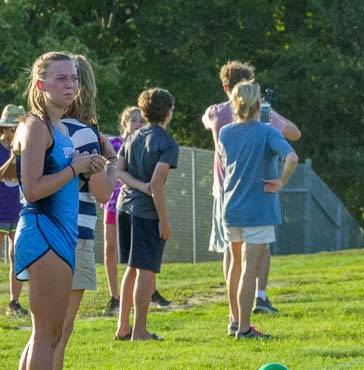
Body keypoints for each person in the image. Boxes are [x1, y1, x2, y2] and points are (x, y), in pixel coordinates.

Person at [6, 52, 104, 370]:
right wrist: (75, 169)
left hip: (59, 236)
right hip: (43, 232)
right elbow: (31, 190)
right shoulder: (35, 127)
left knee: (43, 334)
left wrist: (86, 166)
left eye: (74, 79)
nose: (71, 85)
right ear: (40, 85)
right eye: (61, 78)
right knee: (48, 334)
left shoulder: (59, 129)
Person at [202, 61, 300, 324]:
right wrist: (280, 182)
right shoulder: (267, 131)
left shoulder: (225, 133)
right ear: (258, 104)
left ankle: (233, 320)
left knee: (234, 266)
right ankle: (244, 326)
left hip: (230, 206)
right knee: (250, 269)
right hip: (258, 208)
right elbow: (292, 157)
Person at [55, 55, 120, 370]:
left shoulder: (50, 125)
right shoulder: (83, 131)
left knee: (43, 334)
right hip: (75, 235)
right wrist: (111, 163)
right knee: (59, 334)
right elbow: (101, 192)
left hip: (47, 232)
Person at [114, 88, 178, 341]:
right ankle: (139, 331)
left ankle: (122, 327)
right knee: (147, 270)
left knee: (131, 268)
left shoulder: (132, 137)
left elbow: (118, 171)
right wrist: (164, 219)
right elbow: (157, 183)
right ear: (168, 112)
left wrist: (139, 186)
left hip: (124, 208)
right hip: (146, 214)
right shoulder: (167, 143)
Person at [102, 106, 146, 314]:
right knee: (110, 248)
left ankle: (142, 293)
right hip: (112, 203)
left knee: (135, 251)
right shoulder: (114, 144)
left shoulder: (146, 146)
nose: (138, 124)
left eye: (142, 120)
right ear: (125, 123)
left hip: (135, 204)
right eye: (134, 120)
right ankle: (114, 296)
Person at [0, 104, 27, 317]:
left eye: (15, 128)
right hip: (0, 211)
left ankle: (14, 301)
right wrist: (12, 156)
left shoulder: (27, 147)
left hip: (19, 210)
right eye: (9, 128)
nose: (12, 133)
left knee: (16, 255)